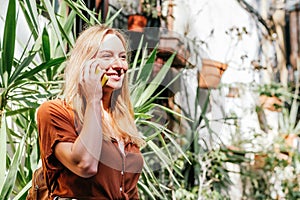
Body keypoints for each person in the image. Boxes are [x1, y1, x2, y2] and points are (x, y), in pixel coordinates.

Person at [36, 25, 145, 199]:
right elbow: (85, 164)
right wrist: (94, 98)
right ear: (84, 63)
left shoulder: (122, 121)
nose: (119, 65)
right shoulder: (56, 112)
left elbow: (130, 192)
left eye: (123, 57)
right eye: (107, 56)